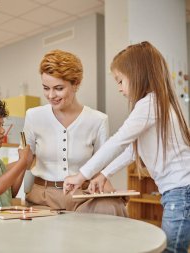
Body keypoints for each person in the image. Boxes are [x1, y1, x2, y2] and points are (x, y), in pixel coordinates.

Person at [63, 41, 190, 253]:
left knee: (170, 249)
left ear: (138, 74)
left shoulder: (150, 104)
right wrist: (104, 173)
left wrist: (81, 175)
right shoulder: (159, 103)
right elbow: (132, 149)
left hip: (181, 191)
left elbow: (118, 141)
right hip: (179, 190)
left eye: (120, 80)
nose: (119, 88)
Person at [23, 49, 127, 216]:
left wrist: (109, 191)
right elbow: (25, 163)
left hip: (82, 197)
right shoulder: (33, 116)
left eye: (58, 88)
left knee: (110, 207)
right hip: (43, 198)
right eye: (46, 88)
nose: (51, 95)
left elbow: (102, 166)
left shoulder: (98, 120)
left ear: (76, 83)